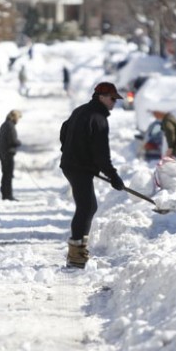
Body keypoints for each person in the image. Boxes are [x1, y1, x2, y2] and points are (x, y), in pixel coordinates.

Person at [59, 82, 125, 269]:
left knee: (88, 206)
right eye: (112, 98)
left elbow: (64, 130)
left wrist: (69, 150)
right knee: (87, 207)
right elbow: (101, 153)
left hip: (73, 165)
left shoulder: (81, 110)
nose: (114, 102)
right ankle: (76, 253)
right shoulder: (98, 119)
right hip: (78, 167)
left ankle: (78, 250)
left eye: (116, 99)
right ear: (101, 97)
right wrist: (113, 176)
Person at [0, 109, 22, 201]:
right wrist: (19, 143)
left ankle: (5, 194)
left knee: (5, 174)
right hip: (8, 153)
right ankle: (8, 195)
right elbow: (12, 141)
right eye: (18, 118)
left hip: (3, 153)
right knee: (8, 175)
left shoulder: (4, 125)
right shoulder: (10, 126)